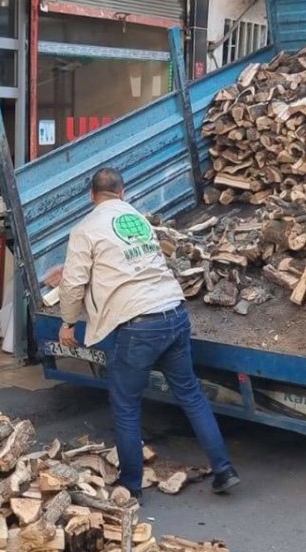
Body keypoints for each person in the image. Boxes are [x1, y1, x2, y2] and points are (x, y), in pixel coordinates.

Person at [46, 168, 239, 501]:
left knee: (125, 404)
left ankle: (130, 484)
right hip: (174, 312)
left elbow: (75, 284)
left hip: (139, 326)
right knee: (191, 395)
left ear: (92, 196)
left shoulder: (85, 229)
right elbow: (127, 266)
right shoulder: (137, 219)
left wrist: (67, 323)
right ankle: (224, 470)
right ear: (123, 193)